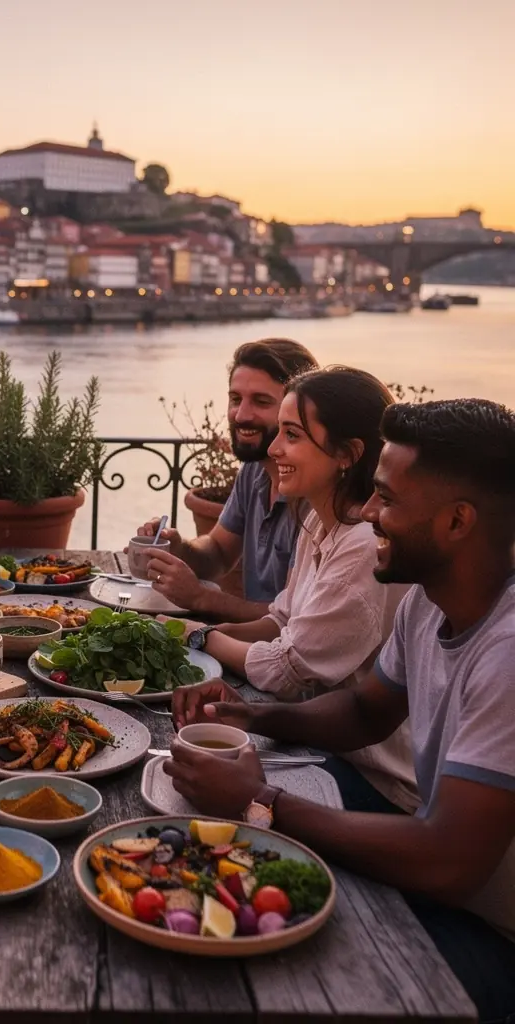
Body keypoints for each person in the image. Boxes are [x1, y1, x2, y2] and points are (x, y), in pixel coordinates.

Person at [167, 398, 515, 1022]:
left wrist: (260, 803)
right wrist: (251, 716)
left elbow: (449, 861)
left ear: (458, 521)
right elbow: (363, 711)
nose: (369, 513)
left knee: (244, 973)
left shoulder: (507, 651)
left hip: (483, 931)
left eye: (387, 499)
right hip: (429, 881)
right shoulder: (428, 601)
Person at [172, 367, 418, 812]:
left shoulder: (362, 544)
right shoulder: (318, 521)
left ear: (347, 453)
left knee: (194, 786)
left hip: (376, 779)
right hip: (321, 744)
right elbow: (281, 620)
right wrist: (193, 627)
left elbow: (285, 670)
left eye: (292, 434)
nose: (273, 447)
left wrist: (202, 636)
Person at [137, 338, 318, 622]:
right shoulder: (255, 471)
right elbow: (219, 552)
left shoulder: (318, 496)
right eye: (235, 399)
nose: (241, 415)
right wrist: (178, 548)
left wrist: (200, 597)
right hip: (251, 648)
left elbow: (295, 621)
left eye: (261, 401)